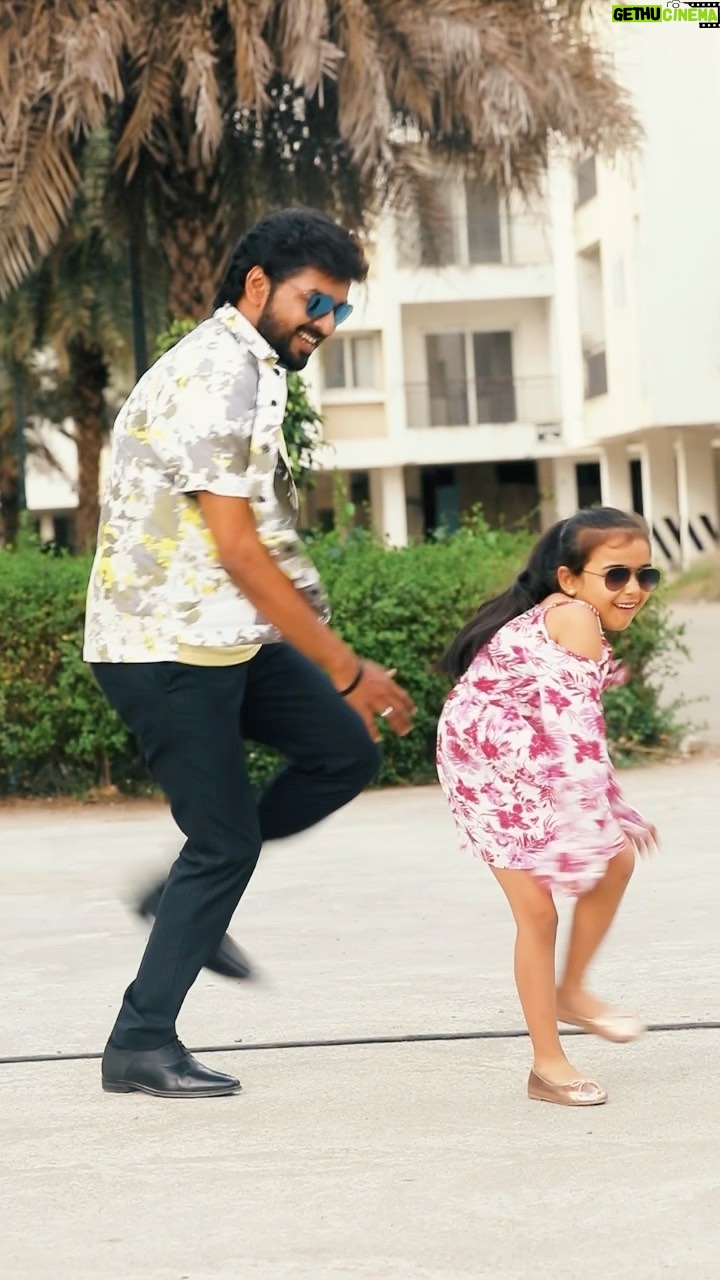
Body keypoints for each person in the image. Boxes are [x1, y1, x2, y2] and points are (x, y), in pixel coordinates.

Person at [84, 207, 416, 1099]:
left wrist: (318, 643)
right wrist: (346, 667)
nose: (327, 324)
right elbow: (237, 549)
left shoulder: (257, 369)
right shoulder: (211, 377)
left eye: (340, 312)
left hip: (227, 637)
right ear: (258, 284)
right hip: (162, 645)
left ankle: (180, 894)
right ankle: (139, 1044)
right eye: (318, 302)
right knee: (224, 842)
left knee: (341, 753)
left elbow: (256, 534)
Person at [436, 507, 659, 1107]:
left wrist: (610, 808)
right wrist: (596, 814)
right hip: (484, 761)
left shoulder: (571, 617)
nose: (633, 590)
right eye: (616, 575)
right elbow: (573, 734)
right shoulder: (576, 619)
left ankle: (573, 991)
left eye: (645, 576)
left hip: (522, 749)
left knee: (616, 862)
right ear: (570, 579)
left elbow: (577, 731)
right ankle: (548, 1063)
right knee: (538, 914)